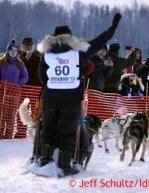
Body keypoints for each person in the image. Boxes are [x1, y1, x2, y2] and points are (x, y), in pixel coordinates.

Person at [37, 13, 121, 176]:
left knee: (48, 129)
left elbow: (42, 76)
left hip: (50, 97)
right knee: (69, 132)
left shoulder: (47, 52)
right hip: (71, 98)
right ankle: (64, 165)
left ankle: (45, 161)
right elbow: (98, 42)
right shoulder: (78, 51)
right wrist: (113, 28)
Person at [0, 39, 28, 139]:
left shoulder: (20, 64)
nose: (13, 52)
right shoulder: (2, 62)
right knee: (3, 113)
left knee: (12, 115)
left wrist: (21, 82)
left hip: (15, 92)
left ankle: (8, 135)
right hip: (3, 92)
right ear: (8, 51)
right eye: (11, 50)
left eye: (15, 51)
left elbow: (25, 75)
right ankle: (0, 133)